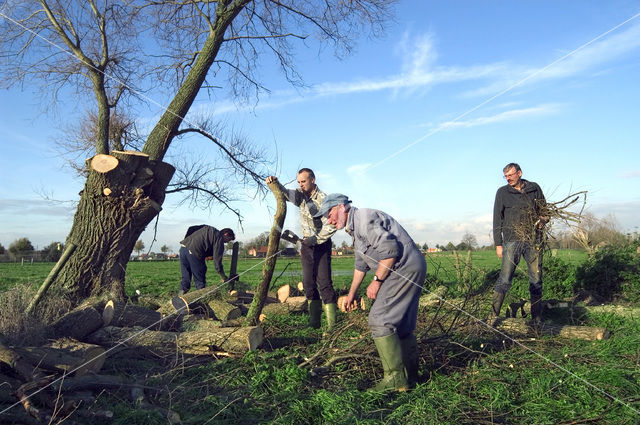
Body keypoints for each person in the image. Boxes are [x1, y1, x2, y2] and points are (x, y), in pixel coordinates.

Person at [313, 194, 426, 391]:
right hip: (408, 267)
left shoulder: (364, 219)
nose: (329, 221)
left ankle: (395, 379)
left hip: (403, 269)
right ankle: (411, 376)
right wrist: (351, 294)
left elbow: (391, 251)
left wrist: (377, 281)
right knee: (402, 325)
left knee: (379, 319)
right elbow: (360, 265)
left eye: (329, 214)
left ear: (341, 207)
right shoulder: (354, 229)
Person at [265, 169, 338, 330]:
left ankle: (332, 327)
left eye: (303, 181)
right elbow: (285, 193)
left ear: (312, 180)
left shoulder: (323, 199)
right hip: (306, 246)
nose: (300, 185)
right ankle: (314, 323)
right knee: (308, 283)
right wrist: (275, 183)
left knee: (325, 284)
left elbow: (332, 225)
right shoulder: (300, 195)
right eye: (298, 182)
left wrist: (315, 239)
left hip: (321, 245)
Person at [491, 163, 547, 323]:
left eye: (510, 175)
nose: (508, 178)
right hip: (511, 241)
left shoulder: (534, 188)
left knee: (536, 279)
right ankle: (492, 317)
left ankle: (537, 319)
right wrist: (498, 244)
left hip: (533, 240)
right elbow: (497, 218)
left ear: (519, 173)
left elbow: (545, 210)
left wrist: (544, 219)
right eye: (505, 176)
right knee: (505, 279)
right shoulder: (502, 192)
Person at [179, 225, 235, 294]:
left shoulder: (209, 229)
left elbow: (191, 228)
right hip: (194, 252)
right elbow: (217, 262)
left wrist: (188, 242)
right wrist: (223, 276)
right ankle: (201, 300)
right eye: (228, 239)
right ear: (226, 234)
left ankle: (180, 297)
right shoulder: (219, 238)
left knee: (185, 277)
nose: (226, 242)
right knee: (200, 278)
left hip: (183, 249)